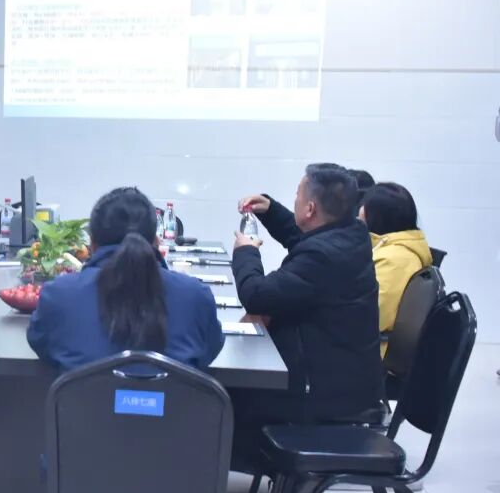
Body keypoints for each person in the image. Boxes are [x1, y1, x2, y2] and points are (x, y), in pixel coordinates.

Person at [232, 163, 384, 473]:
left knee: (220, 396)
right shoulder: (351, 234)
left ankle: (235, 470)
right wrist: (271, 211)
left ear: (311, 208)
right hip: (342, 379)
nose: (295, 200)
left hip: (323, 394)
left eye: (298, 195)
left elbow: (257, 295)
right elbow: (307, 238)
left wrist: (246, 252)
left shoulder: (323, 257)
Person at [27, 187, 224, 370]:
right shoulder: (195, 296)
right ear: (156, 242)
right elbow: (207, 352)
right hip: (174, 398)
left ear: (92, 245)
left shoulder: (58, 295)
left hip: (83, 398)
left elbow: (44, 347)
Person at [359, 182, 433, 348]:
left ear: (377, 216)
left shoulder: (394, 261)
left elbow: (368, 318)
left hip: (372, 353)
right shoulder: (397, 251)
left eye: (364, 207)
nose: (360, 212)